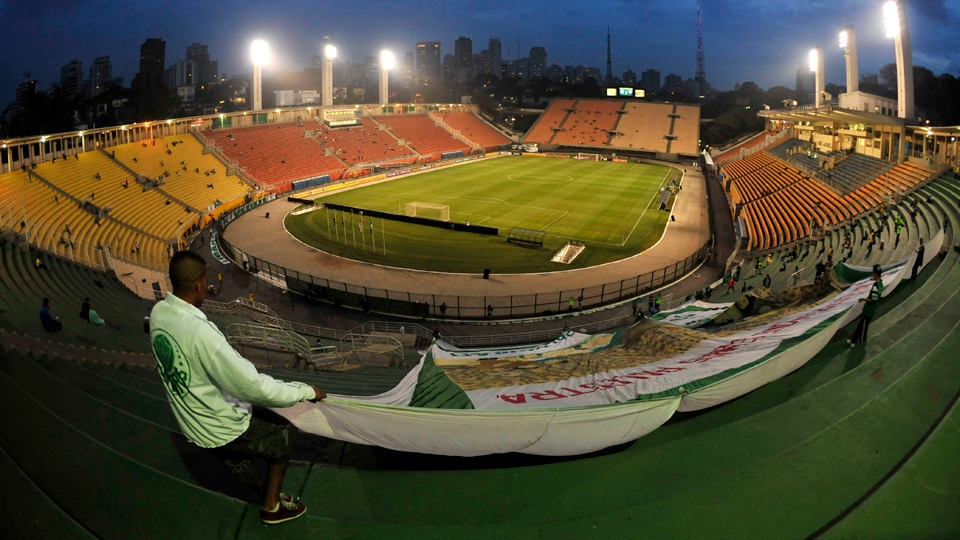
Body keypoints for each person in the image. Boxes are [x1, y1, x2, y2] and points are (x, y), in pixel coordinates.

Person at [149, 251, 325, 525]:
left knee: (232, 455)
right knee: (283, 434)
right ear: (197, 285)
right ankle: (271, 507)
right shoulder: (201, 332)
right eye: (205, 281)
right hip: (220, 423)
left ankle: (265, 492)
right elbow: (251, 386)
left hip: (194, 424)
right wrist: (306, 391)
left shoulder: (159, 311)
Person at [848, 265, 883, 347]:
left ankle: (861, 344)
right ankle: (852, 340)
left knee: (863, 328)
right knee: (861, 326)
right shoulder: (881, 283)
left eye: (873, 272)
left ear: (875, 273)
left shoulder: (876, 285)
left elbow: (873, 300)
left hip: (869, 311)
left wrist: (863, 299)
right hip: (871, 310)